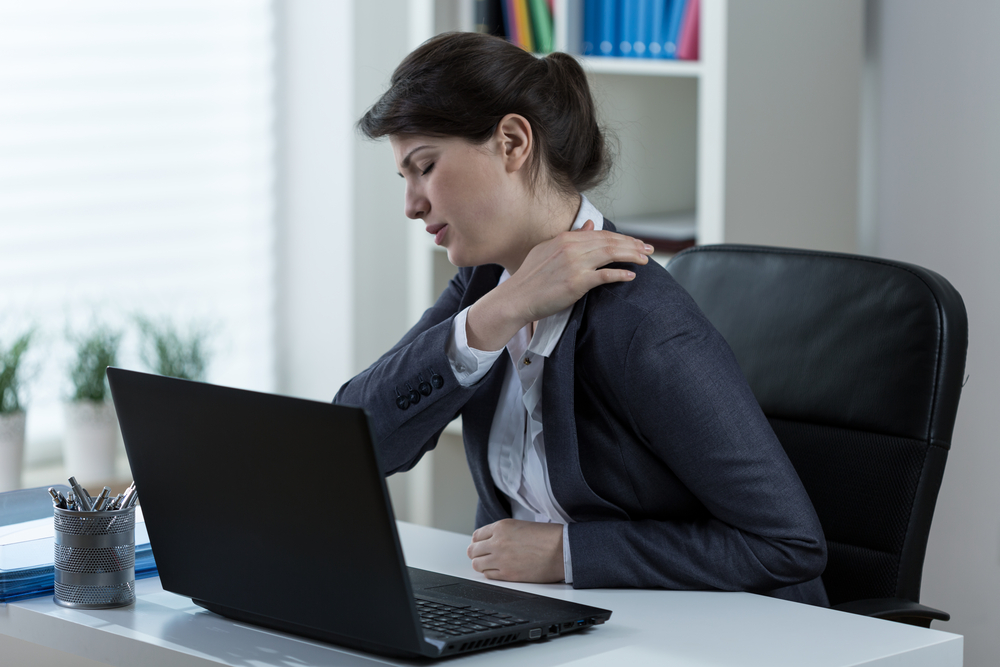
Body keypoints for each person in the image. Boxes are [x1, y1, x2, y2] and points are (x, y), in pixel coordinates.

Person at [337, 31, 828, 605]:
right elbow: (356, 443)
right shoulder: (486, 288)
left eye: (425, 167)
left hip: (716, 637)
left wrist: (564, 552)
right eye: (405, 178)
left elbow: (789, 546)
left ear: (513, 142)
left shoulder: (642, 321)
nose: (412, 204)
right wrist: (501, 312)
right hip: (558, 619)